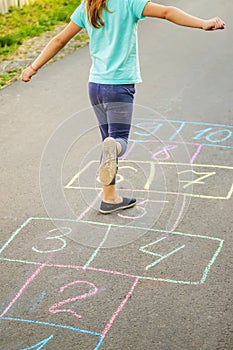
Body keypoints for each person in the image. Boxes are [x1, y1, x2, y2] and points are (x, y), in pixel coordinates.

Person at [20, 0, 225, 214]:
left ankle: (110, 197)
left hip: (96, 86)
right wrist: (203, 23)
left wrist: (33, 67)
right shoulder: (128, 3)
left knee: (106, 139)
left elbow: (60, 39)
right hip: (118, 86)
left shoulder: (88, 6)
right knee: (118, 141)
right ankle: (114, 150)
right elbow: (167, 11)